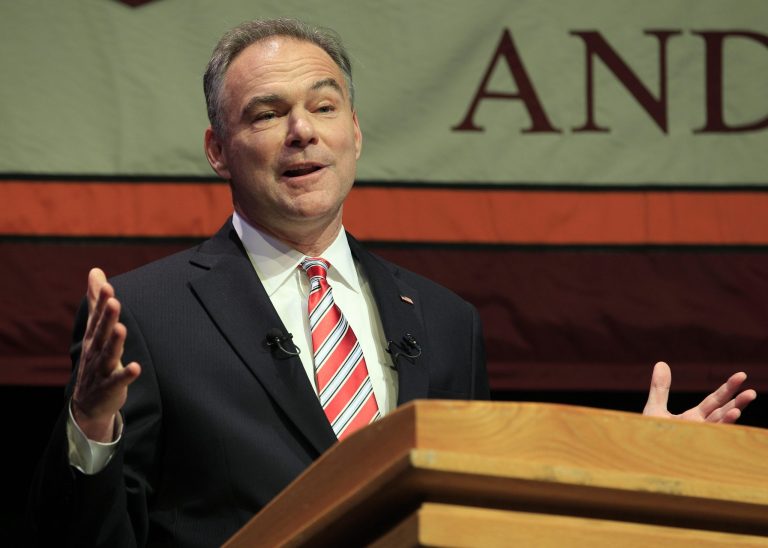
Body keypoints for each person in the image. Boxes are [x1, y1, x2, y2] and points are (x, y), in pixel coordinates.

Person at [29, 18, 756, 548]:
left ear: (356, 132)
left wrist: (640, 472)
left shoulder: (445, 320)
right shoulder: (148, 314)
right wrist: (91, 429)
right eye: (267, 113)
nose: (302, 132)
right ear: (219, 150)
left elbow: (485, 510)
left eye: (324, 105)